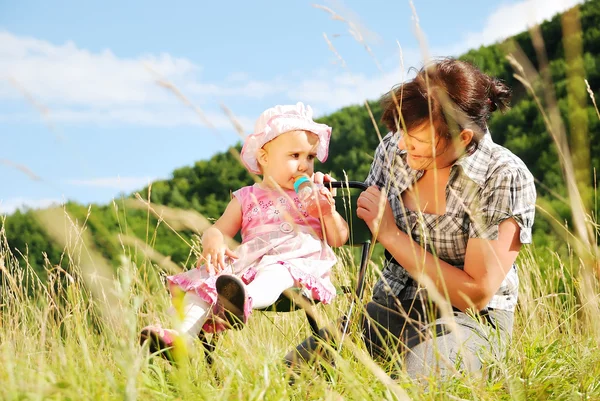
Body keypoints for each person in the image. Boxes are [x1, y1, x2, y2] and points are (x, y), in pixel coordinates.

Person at [355, 57, 537, 380]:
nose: (401, 145)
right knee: (303, 368)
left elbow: (476, 294)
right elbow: (363, 224)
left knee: (418, 377)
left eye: (419, 141)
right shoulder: (394, 149)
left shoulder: (503, 177)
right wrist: (323, 213)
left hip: (472, 320)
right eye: (402, 132)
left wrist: (393, 237)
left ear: (462, 138)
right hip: (395, 305)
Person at [140, 102, 349, 356]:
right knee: (208, 280)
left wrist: (327, 212)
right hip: (249, 266)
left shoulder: (315, 193)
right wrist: (214, 242)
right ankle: (181, 338)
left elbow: (339, 238)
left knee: (275, 271)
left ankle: (242, 300)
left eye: (310, 157)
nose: (304, 165)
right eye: (295, 156)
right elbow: (216, 230)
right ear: (264, 157)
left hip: (295, 264)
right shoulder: (247, 197)